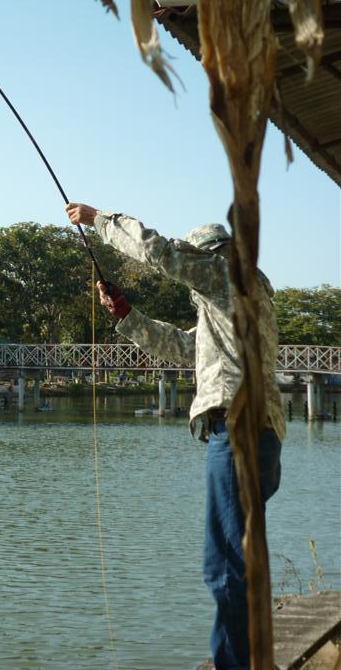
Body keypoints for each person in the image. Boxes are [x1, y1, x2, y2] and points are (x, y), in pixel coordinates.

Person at [65, 202, 284, 670]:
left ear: (212, 256)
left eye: (195, 261)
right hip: (264, 438)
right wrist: (125, 313)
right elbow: (186, 349)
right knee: (243, 562)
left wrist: (99, 220)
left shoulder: (227, 274)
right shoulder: (243, 298)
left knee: (223, 567)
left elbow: (158, 253)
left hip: (239, 432)